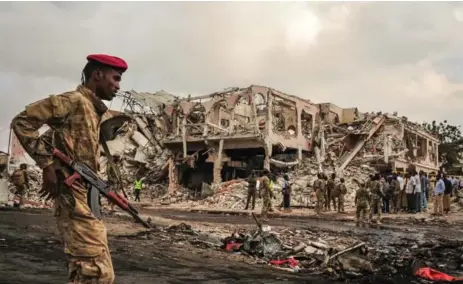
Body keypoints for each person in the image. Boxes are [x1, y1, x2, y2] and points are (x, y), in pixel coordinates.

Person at [11, 54, 128, 283]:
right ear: (97, 75)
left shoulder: (93, 111)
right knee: (95, 272)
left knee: (92, 269)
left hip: (84, 195)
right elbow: (22, 122)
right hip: (73, 197)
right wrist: (47, 165)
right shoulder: (73, 101)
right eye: (115, 78)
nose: (118, 86)